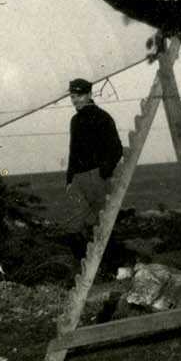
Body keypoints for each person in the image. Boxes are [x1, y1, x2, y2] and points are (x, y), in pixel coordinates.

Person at [64, 77, 124, 241]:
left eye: (79, 96)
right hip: (78, 179)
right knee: (75, 226)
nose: (75, 100)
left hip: (96, 178)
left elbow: (117, 149)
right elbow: (73, 152)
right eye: (73, 97)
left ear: (89, 94)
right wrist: (69, 180)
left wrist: (102, 172)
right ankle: (85, 263)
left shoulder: (103, 117)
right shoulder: (75, 120)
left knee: (100, 225)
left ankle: (106, 262)